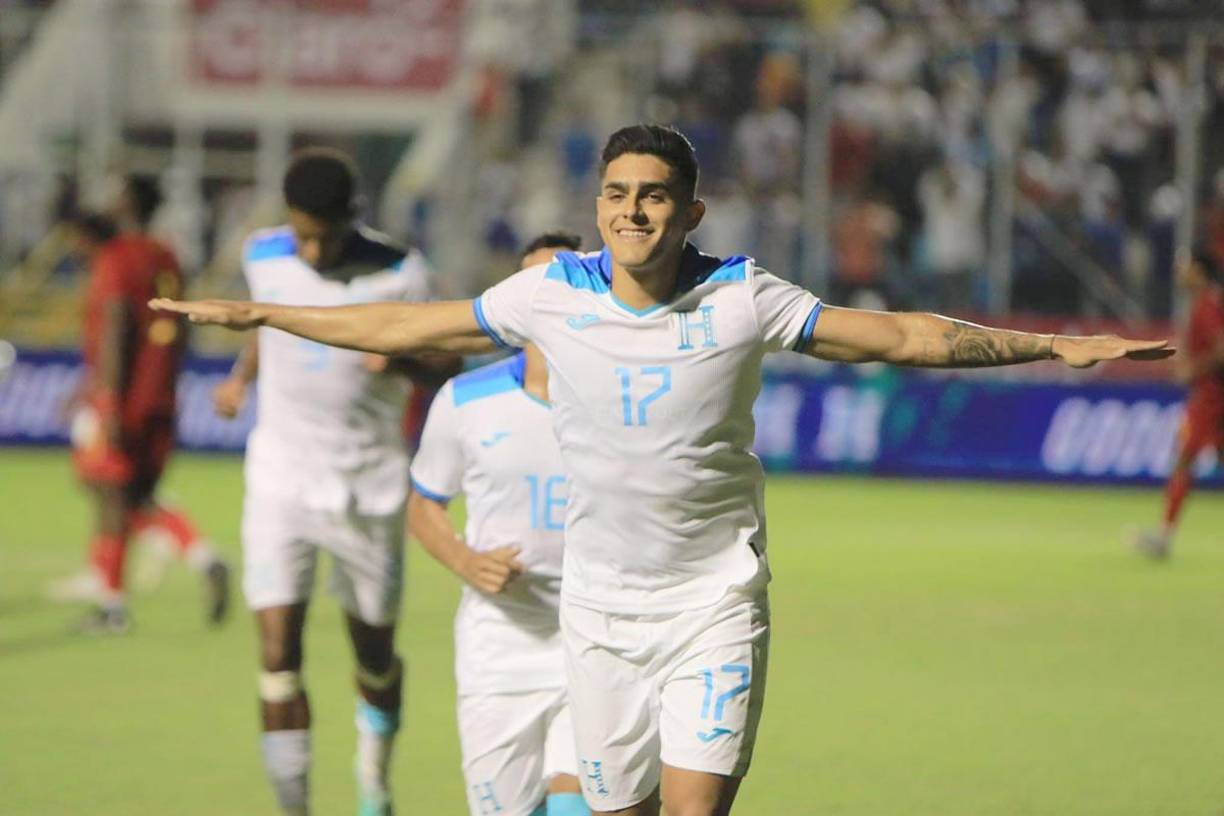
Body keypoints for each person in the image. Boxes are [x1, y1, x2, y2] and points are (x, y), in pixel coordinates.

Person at [155, 125, 1172, 816]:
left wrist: (1052, 343)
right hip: (595, 620)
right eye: (615, 194)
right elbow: (402, 322)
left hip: (711, 606)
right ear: (596, 204)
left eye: (652, 197)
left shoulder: (745, 299)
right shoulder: (549, 293)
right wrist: (261, 315)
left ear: (689, 211)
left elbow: (903, 334)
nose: (630, 211)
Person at [209, 147, 454, 816]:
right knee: (277, 654)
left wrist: (402, 357)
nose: (312, 251)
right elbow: (268, 321)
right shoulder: (265, 255)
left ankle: (373, 780)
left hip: (369, 486)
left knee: (373, 654)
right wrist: (240, 378)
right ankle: (296, 808)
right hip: (281, 478)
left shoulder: (401, 273)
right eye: (302, 233)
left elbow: (445, 362)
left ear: (353, 217)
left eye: (325, 235)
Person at [408, 232, 590, 816]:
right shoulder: (466, 399)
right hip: (500, 651)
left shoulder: (619, 403)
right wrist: (466, 561)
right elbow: (423, 503)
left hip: (596, 642)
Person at [48, 181, 229, 633]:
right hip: (162, 395)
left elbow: (114, 327)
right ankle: (201, 556)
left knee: (107, 491)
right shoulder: (168, 258)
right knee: (134, 493)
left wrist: (105, 399)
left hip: (124, 397)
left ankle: (112, 604)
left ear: (124, 204)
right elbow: (184, 327)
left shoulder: (116, 257)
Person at [1134, 248, 1224, 560]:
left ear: (1199, 270)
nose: (1181, 269)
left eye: (1187, 264)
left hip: (1212, 397)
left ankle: (1163, 536)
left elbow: (1221, 350)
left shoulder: (1206, 306)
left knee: (1184, 461)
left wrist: (1191, 370)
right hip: (1212, 395)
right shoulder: (1210, 302)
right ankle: (1163, 534)